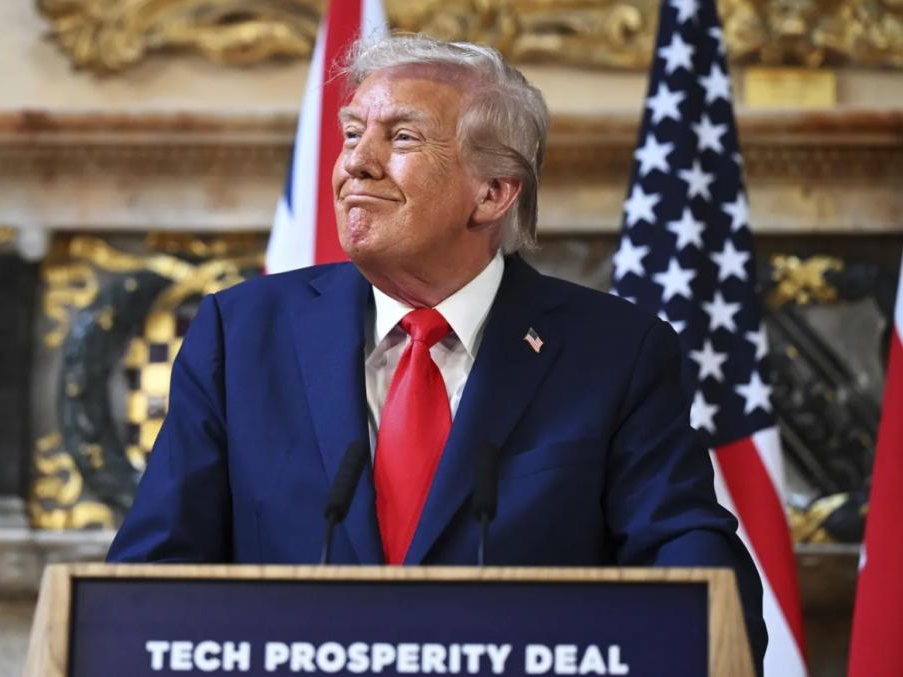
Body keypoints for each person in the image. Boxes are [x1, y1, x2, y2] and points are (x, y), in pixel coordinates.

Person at [107, 33, 766, 671]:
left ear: (493, 192)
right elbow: (154, 572)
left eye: (401, 138)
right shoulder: (241, 333)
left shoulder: (615, 351)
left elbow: (688, 559)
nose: (357, 163)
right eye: (352, 134)